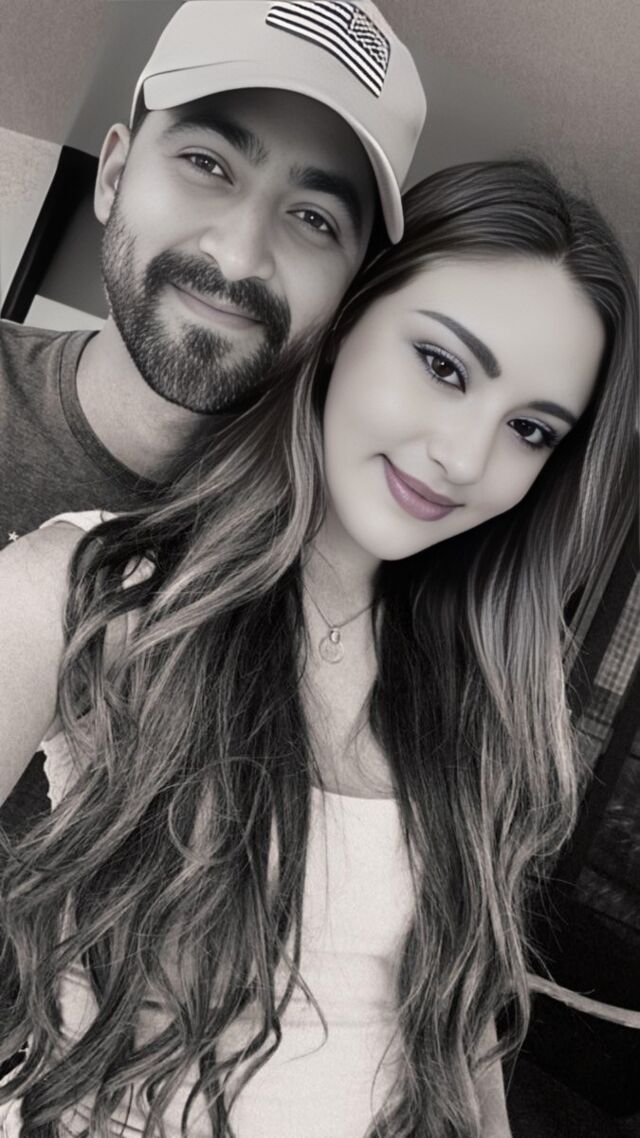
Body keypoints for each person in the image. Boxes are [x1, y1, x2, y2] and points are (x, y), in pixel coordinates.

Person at [0, 158, 637, 1138]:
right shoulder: (92, 590)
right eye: (443, 366)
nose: (464, 458)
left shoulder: (490, 688)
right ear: (344, 324)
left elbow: (454, 1016)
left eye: (529, 428)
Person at [0, 0, 425, 838]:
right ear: (114, 175)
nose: (238, 255)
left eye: (314, 218)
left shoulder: (334, 581)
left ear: (352, 291)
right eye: (208, 163)